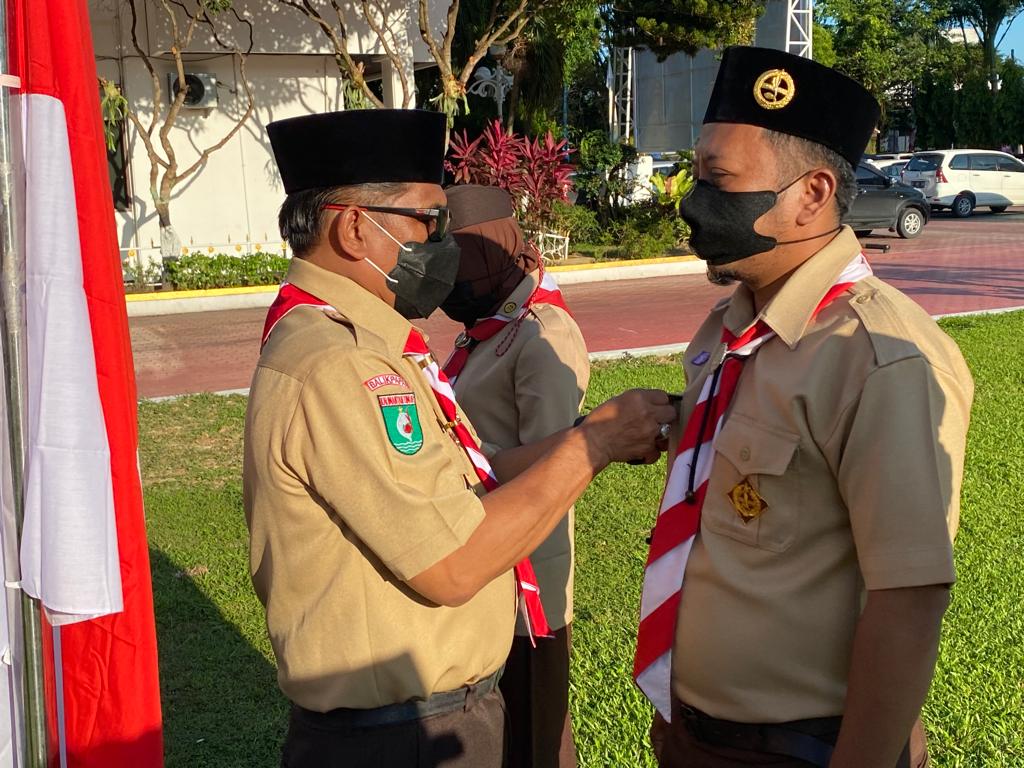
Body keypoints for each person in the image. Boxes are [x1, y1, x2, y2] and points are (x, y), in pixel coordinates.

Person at [243, 109, 676, 768]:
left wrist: (594, 431)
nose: (441, 245)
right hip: (399, 739)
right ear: (356, 227)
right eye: (428, 223)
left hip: (431, 719)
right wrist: (593, 447)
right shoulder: (341, 364)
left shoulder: (366, 345)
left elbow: (474, 478)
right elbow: (454, 562)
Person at [635, 47, 974, 768]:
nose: (691, 201)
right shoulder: (729, 326)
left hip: (800, 749)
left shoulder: (879, 358)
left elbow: (908, 603)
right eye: (695, 175)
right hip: (697, 735)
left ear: (812, 194)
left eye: (717, 180)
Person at [439, 184, 589, 768]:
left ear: (495, 252)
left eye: (460, 263)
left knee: (536, 730)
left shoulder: (542, 333)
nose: (450, 281)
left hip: (528, 567)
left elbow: (557, 459)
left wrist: (458, 456)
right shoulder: (489, 324)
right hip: (482, 545)